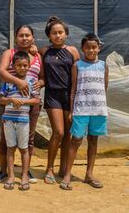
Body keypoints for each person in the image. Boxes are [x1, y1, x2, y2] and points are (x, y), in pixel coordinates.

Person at [0, 25, 44, 184]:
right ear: (16, 37)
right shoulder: (10, 53)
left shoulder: (37, 55)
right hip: (11, 102)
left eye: (28, 35)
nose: (25, 38)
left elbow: (42, 76)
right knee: (6, 139)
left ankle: (25, 172)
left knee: (28, 138)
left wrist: (41, 82)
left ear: (33, 37)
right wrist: (18, 82)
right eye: (21, 35)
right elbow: (1, 71)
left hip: (31, 103)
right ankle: (3, 171)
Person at [60, 33, 109, 190]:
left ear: (99, 48)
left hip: (98, 110)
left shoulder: (103, 66)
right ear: (82, 48)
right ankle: (67, 174)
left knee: (93, 141)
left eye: (94, 47)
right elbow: (73, 89)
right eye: (87, 47)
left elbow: (104, 87)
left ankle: (89, 174)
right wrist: (72, 110)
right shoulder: (77, 66)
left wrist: (100, 103)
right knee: (76, 140)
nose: (91, 50)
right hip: (81, 109)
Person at [40, 16, 80, 184]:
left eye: (60, 32)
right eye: (54, 33)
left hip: (69, 96)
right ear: (49, 35)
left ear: (66, 34)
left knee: (68, 136)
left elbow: (79, 75)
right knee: (59, 132)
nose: (57, 35)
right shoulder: (44, 51)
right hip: (52, 95)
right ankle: (49, 168)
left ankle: (63, 168)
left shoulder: (72, 51)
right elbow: (39, 71)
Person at [0, 51, 41, 191]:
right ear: (13, 66)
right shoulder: (8, 82)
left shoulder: (31, 82)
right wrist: (11, 99)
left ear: (29, 66)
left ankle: (24, 176)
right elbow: (1, 99)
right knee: (10, 148)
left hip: (23, 120)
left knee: (24, 148)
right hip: (8, 120)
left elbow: (37, 100)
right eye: (19, 65)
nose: (22, 68)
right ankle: (11, 176)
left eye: (25, 65)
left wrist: (23, 102)